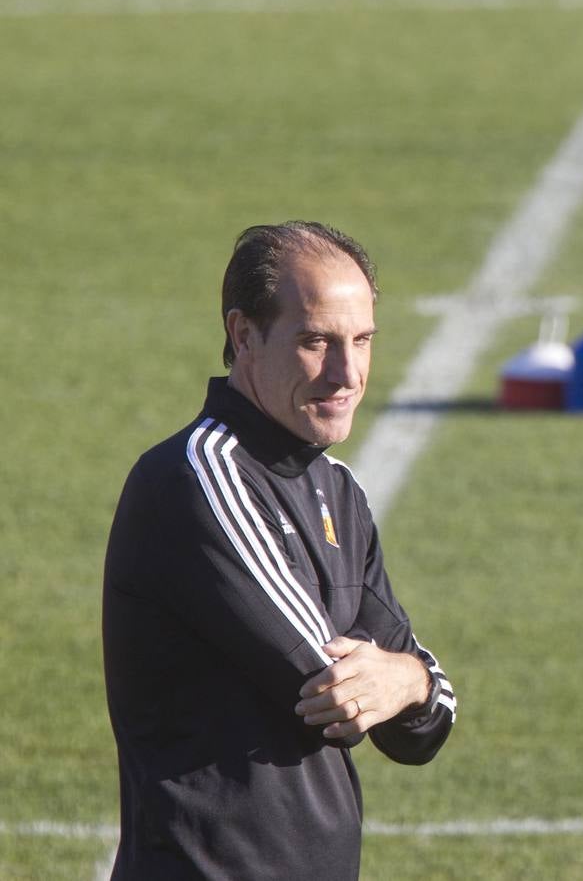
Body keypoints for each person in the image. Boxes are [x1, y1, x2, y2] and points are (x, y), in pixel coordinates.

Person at [102, 221, 457, 879]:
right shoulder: (196, 479)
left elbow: (422, 729)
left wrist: (408, 679)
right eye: (315, 342)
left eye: (361, 341)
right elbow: (331, 691)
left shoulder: (338, 490)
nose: (346, 373)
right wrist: (400, 678)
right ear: (244, 335)